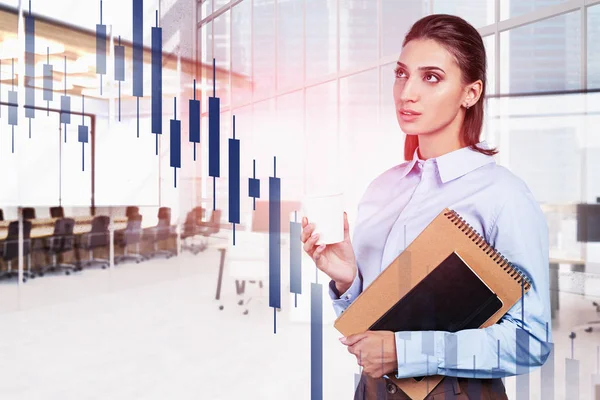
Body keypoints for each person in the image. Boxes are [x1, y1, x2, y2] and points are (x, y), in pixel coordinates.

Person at [301, 14, 552, 400]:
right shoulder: (382, 189)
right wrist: (348, 281)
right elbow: (372, 331)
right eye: (401, 74)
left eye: (431, 77)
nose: (406, 92)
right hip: (373, 392)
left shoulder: (503, 196)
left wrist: (405, 352)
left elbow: (531, 340)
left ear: (471, 92)